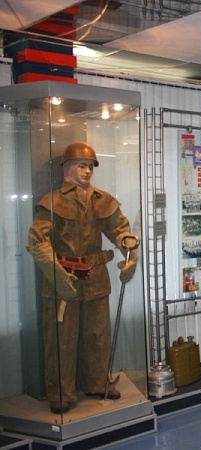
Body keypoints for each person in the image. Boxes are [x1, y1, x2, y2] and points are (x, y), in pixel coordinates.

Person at [26, 142, 138, 414]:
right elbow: (38, 241)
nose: (87, 171)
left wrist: (130, 252)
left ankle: (98, 382)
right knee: (61, 338)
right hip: (64, 277)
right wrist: (56, 275)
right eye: (81, 166)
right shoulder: (52, 202)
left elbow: (121, 231)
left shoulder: (102, 200)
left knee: (98, 335)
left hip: (95, 277)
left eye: (90, 167)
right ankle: (60, 392)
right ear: (67, 168)